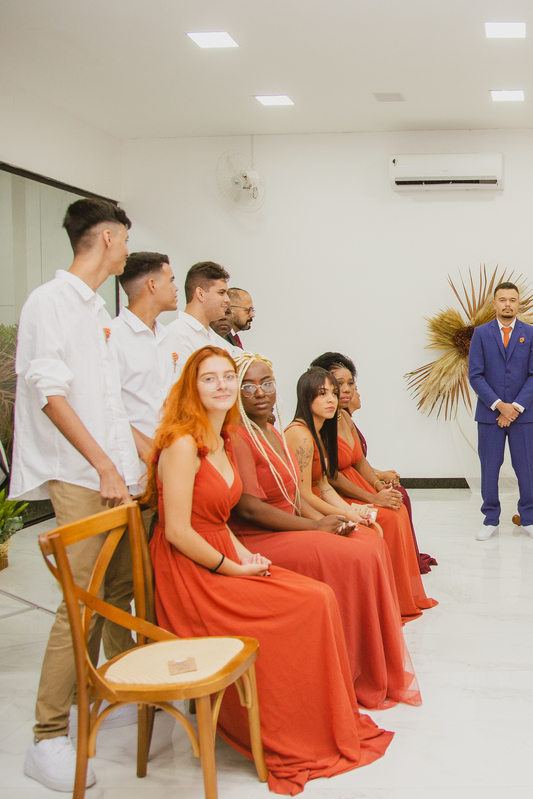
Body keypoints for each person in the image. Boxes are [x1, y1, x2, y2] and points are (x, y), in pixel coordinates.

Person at [146, 347, 395, 794]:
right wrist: (233, 566)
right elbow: (179, 533)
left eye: (228, 377)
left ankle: (319, 719)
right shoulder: (182, 444)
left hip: (225, 550)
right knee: (306, 604)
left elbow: (221, 521)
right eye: (211, 379)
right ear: (191, 387)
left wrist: (246, 556)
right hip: (191, 572)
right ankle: (292, 728)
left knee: (318, 597)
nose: (223, 386)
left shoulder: (222, 439)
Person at [14, 198, 143, 792]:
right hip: (81, 477)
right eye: (125, 240)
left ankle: (100, 693)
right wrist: (103, 467)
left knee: (117, 591)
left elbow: (108, 404)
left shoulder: (95, 308)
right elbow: (50, 393)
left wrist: (136, 461)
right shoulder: (51, 301)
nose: (126, 251)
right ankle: (47, 737)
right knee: (80, 603)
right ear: (109, 238)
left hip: (113, 476)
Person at [229, 352, 420, 709]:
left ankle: (369, 657)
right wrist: (319, 525)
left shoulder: (270, 431)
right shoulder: (249, 435)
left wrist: (349, 515)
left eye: (267, 383)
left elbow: (310, 488)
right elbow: (255, 507)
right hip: (264, 534)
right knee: (360, 550)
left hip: (293, 519)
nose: (261, 392)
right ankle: (355, 664)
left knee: (368, 541)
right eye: (249, 386)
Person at [284, 367, 435, 619]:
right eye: (322, 394)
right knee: (371, 534)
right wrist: (345, 515)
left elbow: (323, 485)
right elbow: (303, 496)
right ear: (306, 397)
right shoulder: (300, 434)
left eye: (333, 393)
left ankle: (389, 605)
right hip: (306, 511)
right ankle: (373, 612)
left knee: (381, 519)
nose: (332, 399)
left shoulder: (317, 430)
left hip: (322, 502)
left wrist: (353, 510)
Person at [311, 351, 434, 573]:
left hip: (357, 484)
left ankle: (401, 572)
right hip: (338, 492)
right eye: (339, 383)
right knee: (389, 516)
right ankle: (388, 578)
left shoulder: (343, 416)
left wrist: (378, 486)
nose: (346, 389)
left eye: (350, 383)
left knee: (397, 503)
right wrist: (372, 498)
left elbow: (360, 462)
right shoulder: (321, 422)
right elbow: (330, 476)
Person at [468, 281, 533, 539]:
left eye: (512, 300)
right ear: (494, 304)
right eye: (503, 300)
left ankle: (529, 519)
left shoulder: (531, 333)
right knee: (490, 468)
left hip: (523, 415)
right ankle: (490, 519)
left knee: (526, 467)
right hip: (489, 414)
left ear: (518, 303)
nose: (508, 304)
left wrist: (515, 408)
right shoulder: (481, 333)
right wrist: (500, 406)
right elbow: (475, 375)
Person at [110, 251, 180, 478]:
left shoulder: (169, 338)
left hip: (172, 462)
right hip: (131, 470)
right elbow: (108, 407)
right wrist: (148, 453)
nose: (176, 288)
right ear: (152, 285)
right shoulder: (113, 337)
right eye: (171, 280)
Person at [166, 261, 237, 359]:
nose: (227, 299)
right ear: (200, 294)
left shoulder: (216, 338)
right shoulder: (177, 335)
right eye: (221, 293)